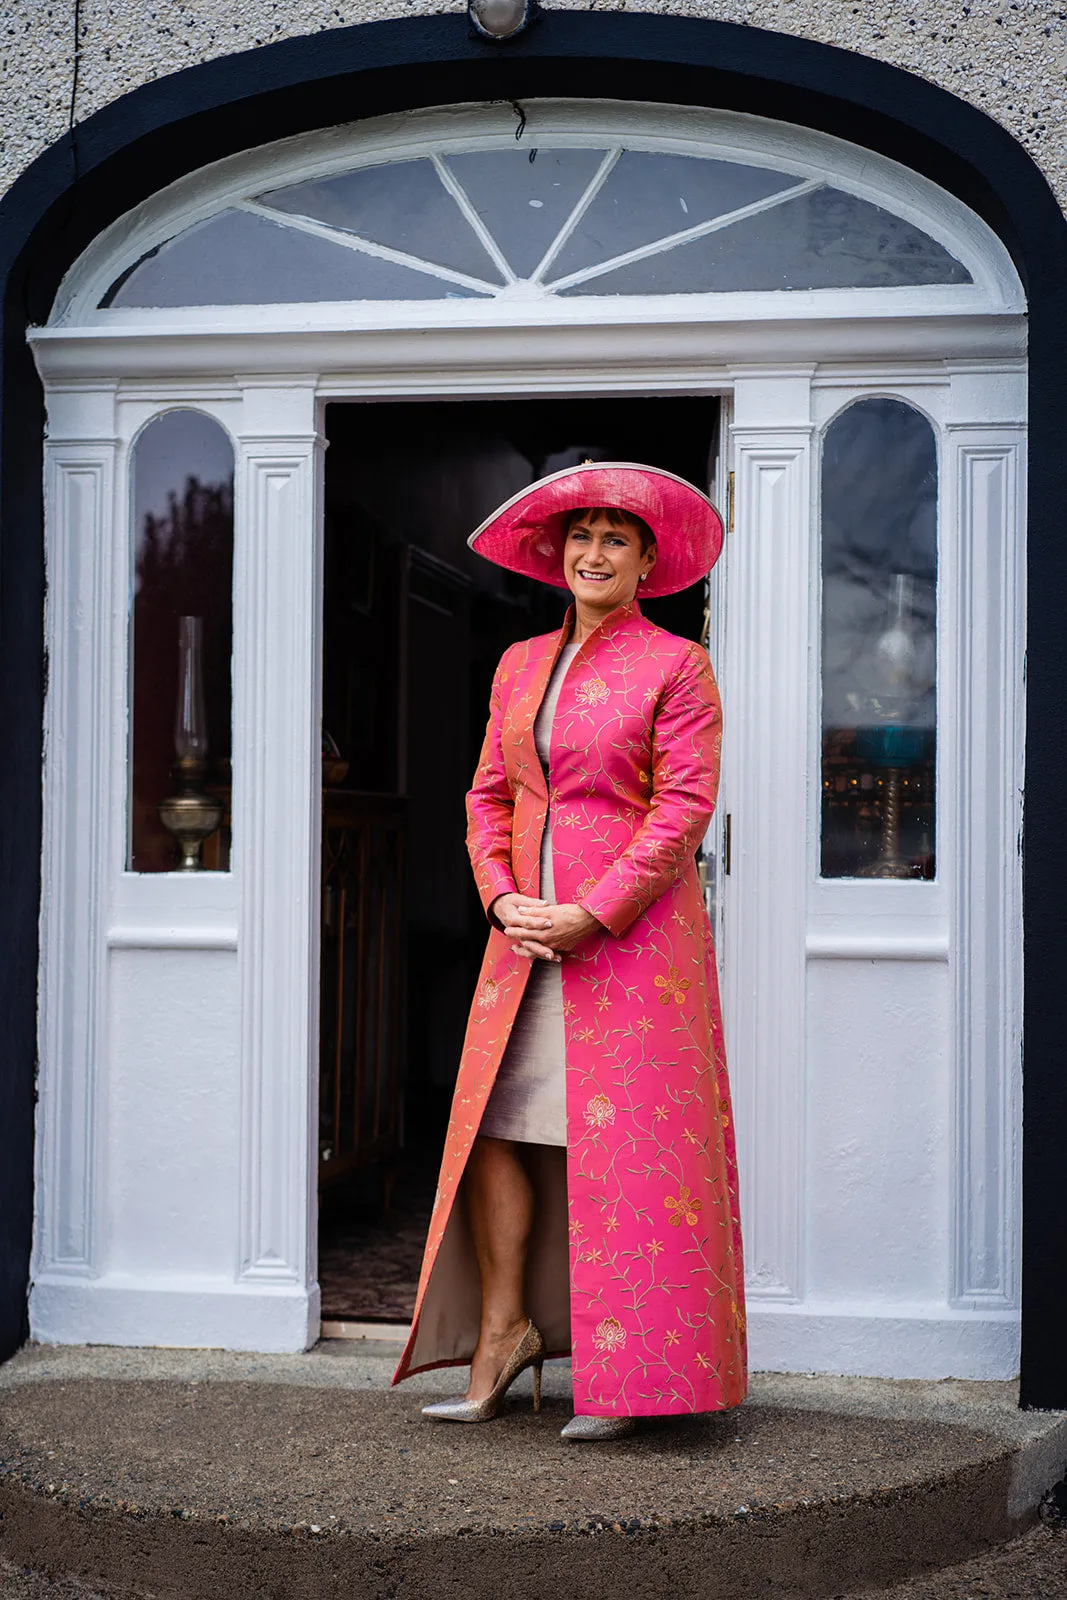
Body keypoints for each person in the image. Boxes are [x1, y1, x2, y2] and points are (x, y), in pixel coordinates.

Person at [392, 462, 746, 1441]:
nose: (592, 552)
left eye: (614, 539)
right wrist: (502, 895)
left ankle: (627, 1376)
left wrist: (593, 911)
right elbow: (484, 797)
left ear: (644, 563)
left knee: (620, 1144)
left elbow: (680, 809)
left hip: (630, 947)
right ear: (559, 555)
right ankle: (503, 1332)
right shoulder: (513, 664)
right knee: (498, 1131)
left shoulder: (676, 665)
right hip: (520, 945)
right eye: (579, 535)